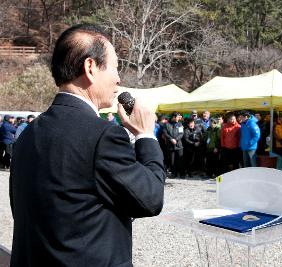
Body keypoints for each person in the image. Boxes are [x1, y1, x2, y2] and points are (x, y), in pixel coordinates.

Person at [9, 24, 165, 266]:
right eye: (115, 67)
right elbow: (150, 198)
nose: (119, 78)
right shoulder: (103, 136)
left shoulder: (28, 135)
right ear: (90, 67)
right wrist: (146, 135)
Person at [163, 111, 185, 177]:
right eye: (178, 117)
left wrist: (176, 139)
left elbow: (181, 133)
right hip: (170, 145)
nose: (179, 118)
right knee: (172, 161)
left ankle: (182, 173)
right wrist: (171, 139)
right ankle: (174, 173)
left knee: (180, 160)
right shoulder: (166, 124)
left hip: (179, 145)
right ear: (174, 117)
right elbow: (165, 133)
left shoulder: (180, 124)